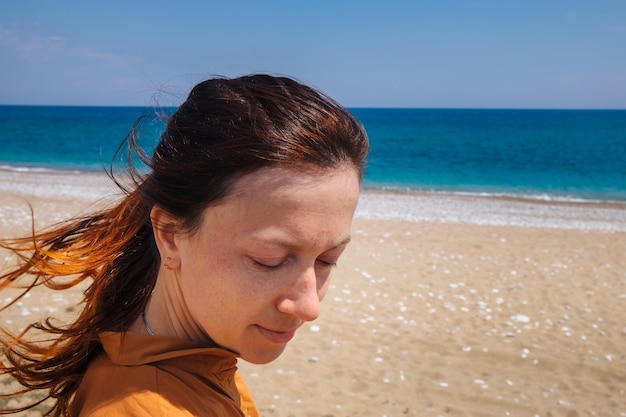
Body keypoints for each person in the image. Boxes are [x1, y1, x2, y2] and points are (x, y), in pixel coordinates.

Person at [0, 74, 369, 417]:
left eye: (327, 260)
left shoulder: (198, 359)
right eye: (268, 260)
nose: (308, 306)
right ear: (170, 235)